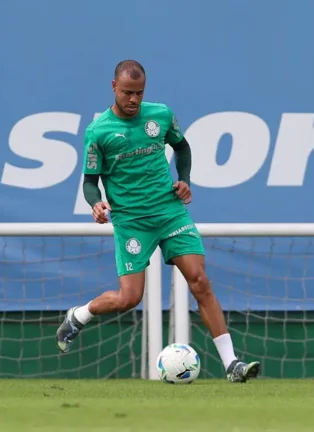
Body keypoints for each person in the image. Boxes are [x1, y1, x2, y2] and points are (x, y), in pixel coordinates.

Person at [56, 59, 261, 383]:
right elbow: (90, 182)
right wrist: (96, 204)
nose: (133, 99)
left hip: (169, 211)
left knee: (199, 280)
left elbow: (182, 147)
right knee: (129, 298)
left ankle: (231, 364)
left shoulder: (161, 115)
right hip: (132, 221)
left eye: (139, 93)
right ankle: (80, 315)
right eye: (127, 92)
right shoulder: (98, 132)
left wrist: (185, 180)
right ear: (114, 87)